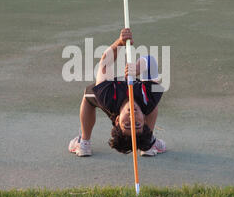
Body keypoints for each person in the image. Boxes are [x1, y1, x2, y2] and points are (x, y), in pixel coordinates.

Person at [68, 28, 167, 157]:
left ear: (117, 121)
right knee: (151, 102)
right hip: (141, 97)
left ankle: (84, 143)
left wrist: (120, 43)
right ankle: (148, 143)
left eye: (127, 124)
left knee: (88, 95)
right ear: (144, 120)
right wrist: (138, 67)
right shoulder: (148, 98)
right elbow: (149, 60)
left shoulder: (107, 97)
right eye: (137, 124)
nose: (133, 117)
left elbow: (105, 62)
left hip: (114, 94)